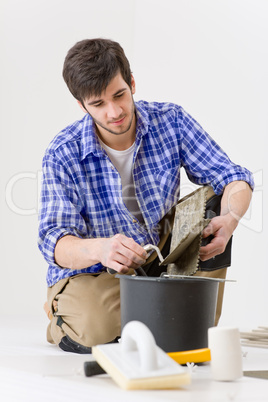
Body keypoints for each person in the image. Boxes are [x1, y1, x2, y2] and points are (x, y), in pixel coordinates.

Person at [38, 38, 254, 353]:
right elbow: (53, 240)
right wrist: (102, 248)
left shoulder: (172, 120)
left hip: (160, 258)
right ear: (82, 105)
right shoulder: (63, 152)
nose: (114, 112)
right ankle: (65, 315)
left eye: (119, 95)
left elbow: (234, 178)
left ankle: (180, 318)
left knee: (213, 203)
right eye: (98, 104)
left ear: (132, 83)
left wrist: (230, 219)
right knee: (95, 327)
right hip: (96, 274)